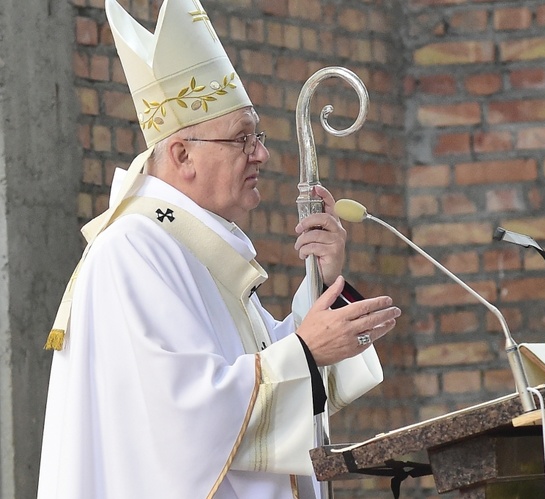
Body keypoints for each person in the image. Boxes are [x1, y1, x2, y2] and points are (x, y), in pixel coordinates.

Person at [37, 0, 400, 497]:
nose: (262, 154)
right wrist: (307, 350)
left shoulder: (190, 243)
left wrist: (322, 282)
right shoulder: (133, 251)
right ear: (182, 154)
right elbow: (182, 416)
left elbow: (256, 366)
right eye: (242, 139)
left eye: (259, 136)